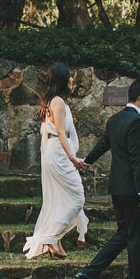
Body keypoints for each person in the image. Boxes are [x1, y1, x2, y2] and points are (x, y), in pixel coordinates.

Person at [73, 77, 140, 279]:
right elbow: (136, 159)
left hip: (117, 187)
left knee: (126, 234)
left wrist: (87, 161)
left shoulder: (116, 119)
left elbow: (103, 144)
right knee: (135, 236)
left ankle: (90, 273)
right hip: (132, 188)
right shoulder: (135, 122)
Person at [23, 64, 89, 259]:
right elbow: (61, 132)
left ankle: (56, 241)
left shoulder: (55, 101)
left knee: (62, 199)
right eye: (69, 77)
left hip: (57, 152)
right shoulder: (58, 102)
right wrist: (72, 158)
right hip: (59, 154)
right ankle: (51, 236)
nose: (72, 80)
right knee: (78, 198)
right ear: (62, 79)